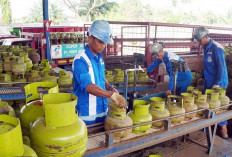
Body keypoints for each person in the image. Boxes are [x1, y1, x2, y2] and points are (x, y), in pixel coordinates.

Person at [72, 20, 126, 125]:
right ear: (90, 38)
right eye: (101, 41)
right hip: (87, 115)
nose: (103, 45)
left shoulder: (99, 57)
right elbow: (88, 86)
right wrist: (111, 95)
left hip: (102, 112)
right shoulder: (80, 60)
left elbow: (100, 78)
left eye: (105, 42)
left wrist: (109, 87)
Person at [193, 26, 229, 139]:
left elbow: (221, 67)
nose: (199, 43)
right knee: (206, 104)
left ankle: (223, 129)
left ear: (205, 36)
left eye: (200, 40)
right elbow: (206, 64)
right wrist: (202, 76)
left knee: (218, 106)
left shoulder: (217, 48)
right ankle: (206, 127)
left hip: (219, 82)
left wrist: (217, 83)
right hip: (209, 81)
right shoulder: (205, 47)